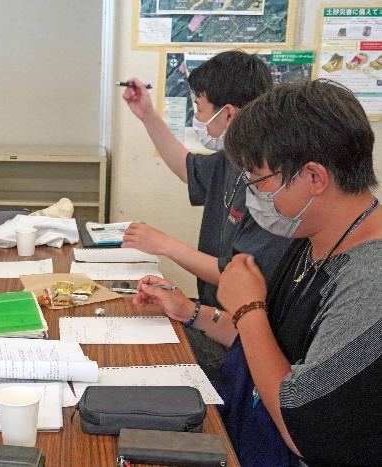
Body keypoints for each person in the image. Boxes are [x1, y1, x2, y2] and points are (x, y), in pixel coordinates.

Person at [135, 80, 382, 466]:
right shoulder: (313, 235)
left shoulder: (369, 279)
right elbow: (269, 345)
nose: (254, 195)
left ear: (314, 177)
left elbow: (302, 426)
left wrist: (249, 308)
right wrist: (192, 313)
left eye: (259, 179)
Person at [121, 50, 291, 377]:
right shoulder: (232, 159)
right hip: (212, 316)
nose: (197, 120)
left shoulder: (267, 185)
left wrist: (164, 245)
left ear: (228, 114)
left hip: (238, 338)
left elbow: (238, 278)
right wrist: (147, 116)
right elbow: (189, 168)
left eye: (200, 109)